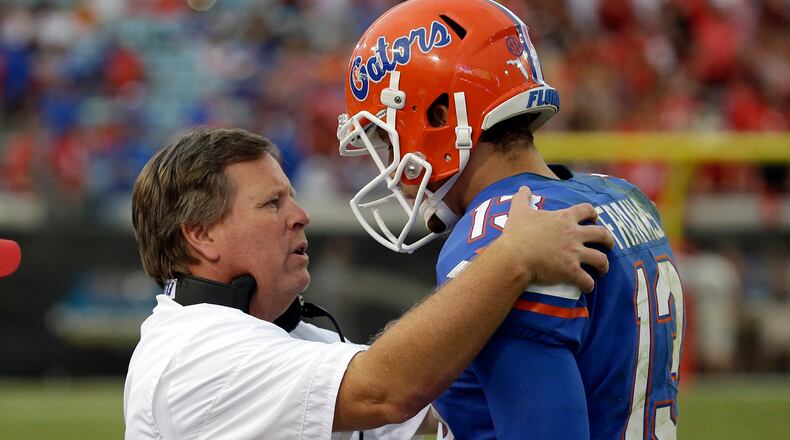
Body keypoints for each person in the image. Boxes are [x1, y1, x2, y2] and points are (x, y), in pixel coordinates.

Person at [124, 126, 614, 439]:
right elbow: (387, 390)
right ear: (203, 235)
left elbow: (435, 416)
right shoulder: (194, 355)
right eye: (272, 204)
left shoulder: (282, 335)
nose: (301, 215)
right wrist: (512, 257)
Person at [337, 0, 685, 438]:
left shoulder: (503, 234)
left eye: (388, 140)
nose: (392, 169)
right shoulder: (624, 197)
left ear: (441, 115)